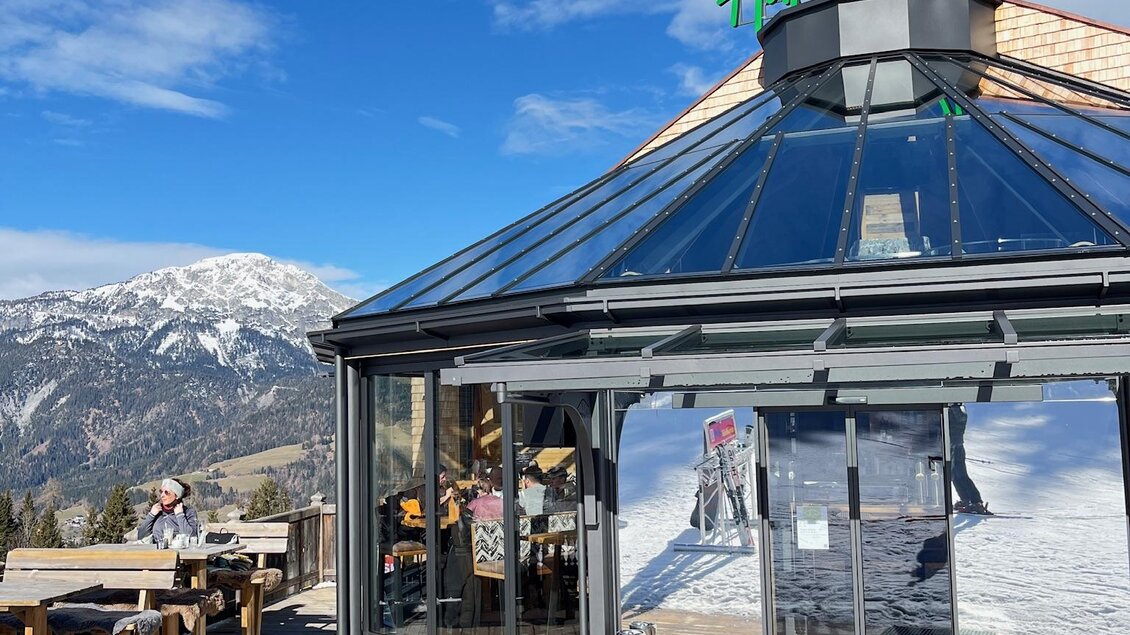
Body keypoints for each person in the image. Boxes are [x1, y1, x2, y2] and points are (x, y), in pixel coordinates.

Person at [949, 404, 991, 515]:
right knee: (955, 476)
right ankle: (966, 499)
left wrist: (952, 408)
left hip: (954, 445)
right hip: (953, 445)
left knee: (961, 475)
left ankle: (976, 501)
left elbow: (960, 418)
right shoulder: (954, 409)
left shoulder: (958, 410)